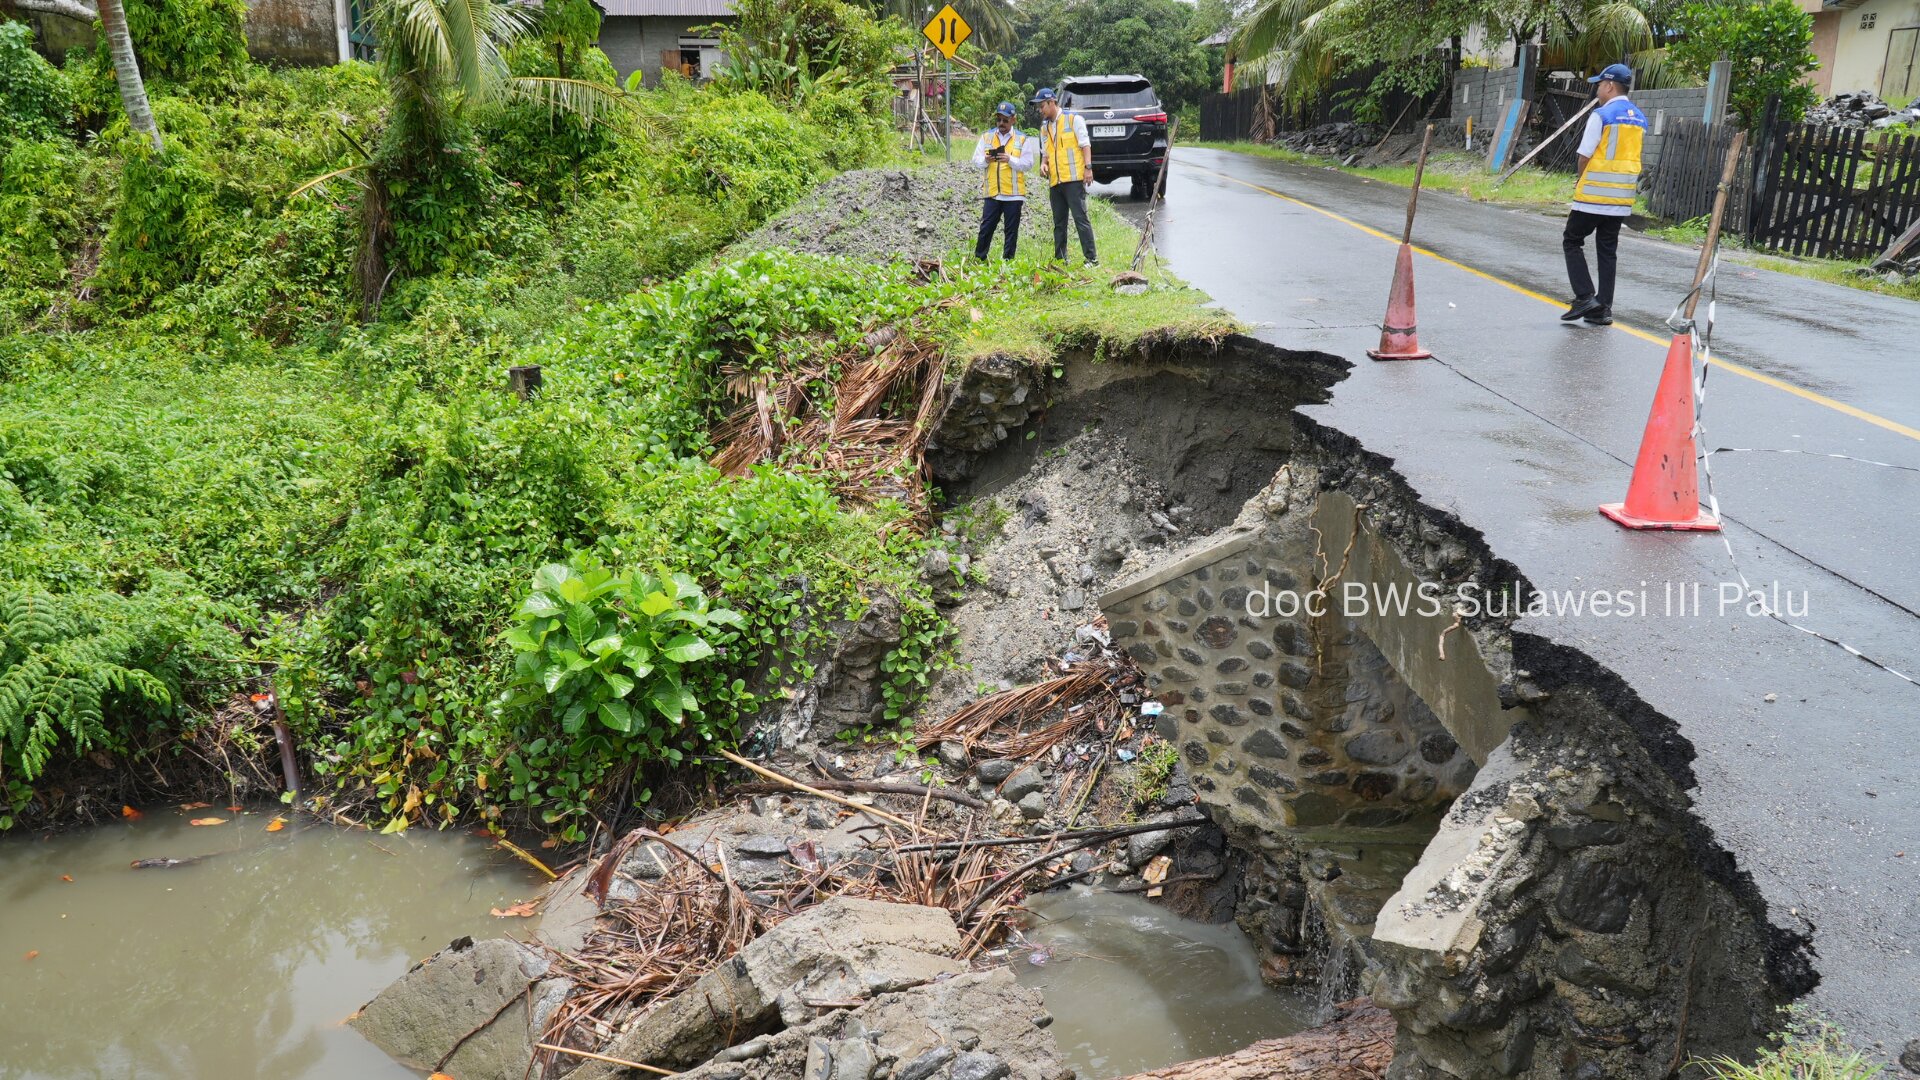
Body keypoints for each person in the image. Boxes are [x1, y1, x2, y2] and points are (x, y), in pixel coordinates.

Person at [1561, 63, 1646, 327]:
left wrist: (1581, 180)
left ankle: (1585, 296)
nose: (1597, 89)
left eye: (1599, 84)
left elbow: (1584, 155)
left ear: (1609, 86)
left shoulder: (1602, 115)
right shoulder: (1639, 118)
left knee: (1572, 240)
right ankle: (1603, 309)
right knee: (1607, 250)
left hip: (1595, 195)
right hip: (1620, 197)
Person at [1033, 87, 1097, 266]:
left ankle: (1092, 258)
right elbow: (1045, 153)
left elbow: (1085, 145)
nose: (1040, 110)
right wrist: (1044, 164)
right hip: (1055, 181)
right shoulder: (1044, 128)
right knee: (1059, 223)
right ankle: (1061, 259)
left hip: (1073, 179)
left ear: (1052, 102)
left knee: (1080, 219)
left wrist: (1088, 168)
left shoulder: (1073, 120)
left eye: (1042, 106)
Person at [971, 101, 1036, 260]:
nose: (1001, 123)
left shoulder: (1021, 139)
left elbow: (1028, 164)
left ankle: (1008, 261)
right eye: (999, 120)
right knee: (986, 228)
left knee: (1011, 231)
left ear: (1013, 119)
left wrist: (1010, 160)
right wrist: (986, 160)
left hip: (1013, 194)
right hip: (992, 192)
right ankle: (980, 259)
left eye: (1005, 120)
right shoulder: (987, 136)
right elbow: (975, 160)